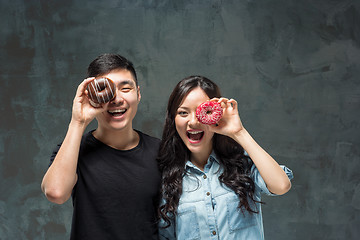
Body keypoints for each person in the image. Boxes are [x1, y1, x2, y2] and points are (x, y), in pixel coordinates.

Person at [157, 76, 293, 240]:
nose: (193, 122)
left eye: (202, 112)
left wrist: (239, 132)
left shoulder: (241, 164)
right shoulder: (168, 180)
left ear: (216, 115)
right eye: (183, 113)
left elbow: (281, 185)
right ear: (173, 119)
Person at [41, 54, 161, 239]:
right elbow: (55, 193)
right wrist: (78, 121)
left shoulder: (161, 152)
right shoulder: (74, 150)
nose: (116, 99)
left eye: (125, 88)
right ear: (92, 96)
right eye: (106, 89)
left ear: (138, 93)